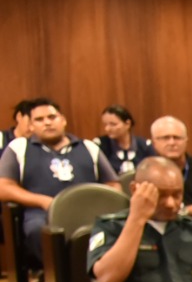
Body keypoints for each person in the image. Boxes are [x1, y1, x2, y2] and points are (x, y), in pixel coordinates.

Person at [0, 98, 119, 270]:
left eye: (52, 117)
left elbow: (113, 185)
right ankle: (59, 277)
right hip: (42, 213)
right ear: (31, 126)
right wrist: (42, 201)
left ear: (63, 120)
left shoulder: (89, 147)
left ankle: (92, 275)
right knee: (37, 231)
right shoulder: (19, 148)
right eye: (39, 120)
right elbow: (3, 187)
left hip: (88, 212)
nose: (47, 122)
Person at [150, 116, 192, 218]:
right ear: (154, 142)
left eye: (177, 138)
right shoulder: (147, 171)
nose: (172, 143)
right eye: (165, 138)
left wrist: (184, 211)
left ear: (186, 140)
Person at [97, 105, 155, 176]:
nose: (107, 129)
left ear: (127, 124)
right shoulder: (100, 146)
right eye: (105, 124)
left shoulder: (144, 146)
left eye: (113, 124)